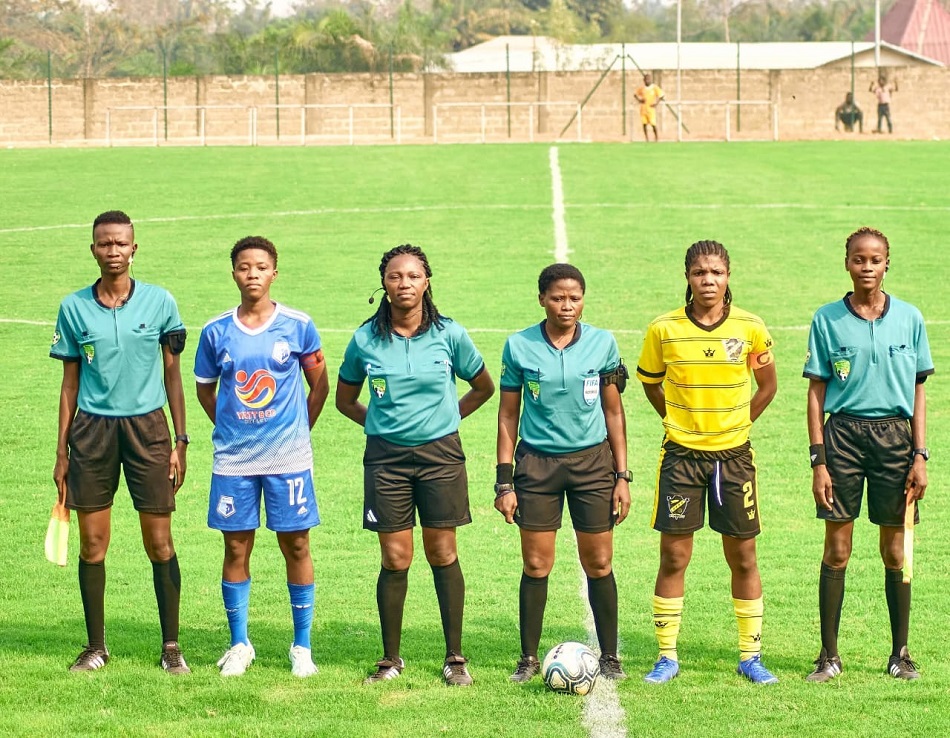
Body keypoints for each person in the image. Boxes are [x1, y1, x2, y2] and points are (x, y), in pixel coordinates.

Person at [336, 243, 494, 686]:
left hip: (440, 457)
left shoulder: (449, 334)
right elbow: (345, 399)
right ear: (383, 284)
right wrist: (381, 426)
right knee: (395, 556)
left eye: (412, 276)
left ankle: (455, 657)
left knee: (442, 551)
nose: (404, 284)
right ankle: (390, 659)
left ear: (427, 282)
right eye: (394, 276)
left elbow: (483, 387)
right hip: (385, 460)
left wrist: (445, 420)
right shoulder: (366, 338)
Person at [51, 210, 190, 674]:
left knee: (160, 542)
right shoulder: (73, 308)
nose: (113, 251)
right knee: (92, 543)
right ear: (93, 249)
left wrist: (180, 439)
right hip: (91, 433)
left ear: (135, 248)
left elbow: (174, 375)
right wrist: (61, 453)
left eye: (121, 244)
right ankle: (96, 647)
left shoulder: (160, 302)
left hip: (148, 431)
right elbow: (70, 383)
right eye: (104, 244)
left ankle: (171, 648)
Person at [637, 240, 779, 685]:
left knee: (743, 556)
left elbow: (767, 386)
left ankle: (751, 656)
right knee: (675, 556)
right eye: (700, 273)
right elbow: (650, 384)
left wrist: (738, 424)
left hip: (734, 458)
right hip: (681, 458)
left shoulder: (752, 327)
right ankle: (667, 656)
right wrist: (676, 420)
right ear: (687, 277)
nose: (708, 280)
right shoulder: (663, 329)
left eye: (716, 272)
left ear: (728, 275)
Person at [195, 236, 329, 678]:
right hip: (233, 461)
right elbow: (205, 389)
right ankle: (239, 644)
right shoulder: (216, 331)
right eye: (243, 267)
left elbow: (320, 385)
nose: (252, 274)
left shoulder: (298, 325)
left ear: (275, 272)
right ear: (233, 273)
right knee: (236, 545)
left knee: (297, 544)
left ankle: (302, 647)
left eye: (260, 267)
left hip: (288, 459)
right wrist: (231, 427)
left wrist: (296, 431)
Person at [803, 227, 933, 683]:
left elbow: (918, 391)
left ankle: (900, 654)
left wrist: (920, 455)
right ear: (847, 263)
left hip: (896, 440)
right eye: (859, 259)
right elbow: (816, 393)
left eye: (875, 259)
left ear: (886, 264)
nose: (867, 267)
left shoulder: (910, 319)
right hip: (842, 438)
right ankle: (829, 656)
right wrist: (818, 459)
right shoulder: (827, 319)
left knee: (894, 550)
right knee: (837, 549)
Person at [496, 263, 631, 683]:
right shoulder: (518, 346)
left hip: (593, 465)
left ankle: (610, 657)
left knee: (600, 562)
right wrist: (505, 481)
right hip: (537, 466)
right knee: (536, 564)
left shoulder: (603, 344)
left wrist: (623, 476)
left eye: (574, 298)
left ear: (583, 299)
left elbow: (613, 410)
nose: (566, 306)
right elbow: (507, 416)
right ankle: (528, 659)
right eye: (557, 298)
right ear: (542, 299)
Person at [635, 73, 665, 142]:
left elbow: (661, 95)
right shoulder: (642, 89)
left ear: (651, 80)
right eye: (646, 79)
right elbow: (635, 94)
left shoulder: (654, 88)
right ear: (644, 80)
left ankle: (656, 138)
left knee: (653, 124)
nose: (647, 81)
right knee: (644, 124)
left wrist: (656, 103)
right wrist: (640, 100)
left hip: (651, 109)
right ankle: (647, 138)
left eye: (648, 79)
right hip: (643, 109)